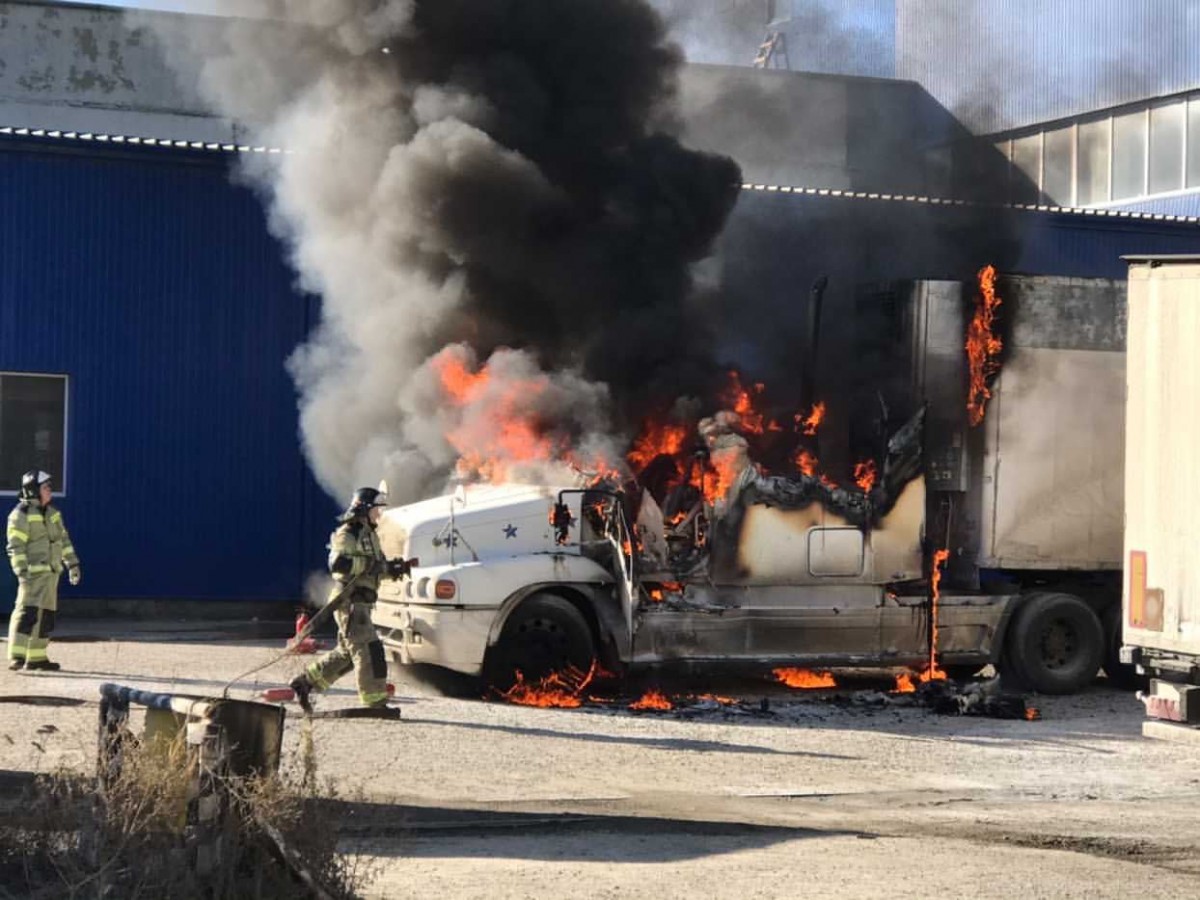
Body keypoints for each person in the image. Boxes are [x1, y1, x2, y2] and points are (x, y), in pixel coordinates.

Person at [290, 487, 407, 717]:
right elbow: (340, 565)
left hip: (361, 603)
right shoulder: (348, 533)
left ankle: (304, 683)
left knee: (347, 654)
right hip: (350, 602)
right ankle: (375, 703)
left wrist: (392, 568)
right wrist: (370, 566)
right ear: (364, 509)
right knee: (368, 649)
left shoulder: (369, 534)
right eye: (376, 510)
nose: (379, 515)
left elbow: (374, 567)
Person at [6, 471, 80, 671]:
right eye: (46, 488)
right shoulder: (20, 514)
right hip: (31, 575)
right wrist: (21, 570)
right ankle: (17, 656)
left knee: (46, 616)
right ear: (34, 490)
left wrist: (72, 564)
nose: (50, 491)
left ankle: (37, 658)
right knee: (26, 613)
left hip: (51, 574)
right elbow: (15, 546)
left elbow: (63, 541)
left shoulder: (53, 514)